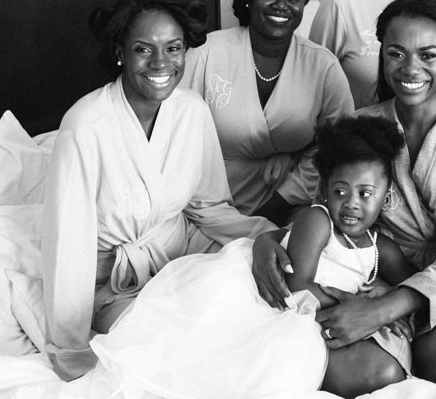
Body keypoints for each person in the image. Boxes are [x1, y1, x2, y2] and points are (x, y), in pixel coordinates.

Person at [255, 0, 436, 397]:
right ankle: (396, 355)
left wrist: (386, 308)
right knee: (365, 374)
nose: (411, 69)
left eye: (428, 55)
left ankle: (412, 346)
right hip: (363, 279)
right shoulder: (360, 124)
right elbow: (320, 204)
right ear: (382, 57)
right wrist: (267, 239)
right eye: (396, 54)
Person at [85, 115, 417, 399]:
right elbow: (296, 284)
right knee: (214, 355)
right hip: (268, 302)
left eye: (365, 194)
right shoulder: (317, 221)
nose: (352, 204)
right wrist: (360, 306)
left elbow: (414, 284)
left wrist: (387, 298)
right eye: (340, 192)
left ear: (386, 198)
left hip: (310, 318)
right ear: (325, 190)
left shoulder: (380, 249)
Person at [41, 0, 275, 380]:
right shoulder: (85, 126)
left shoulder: (192, 110)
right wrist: (70, 351)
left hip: (180, 246)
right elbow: (68, 247)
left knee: (257, 297)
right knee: (174, 345)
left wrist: (265, 234)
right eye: (143, 48)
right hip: (112, 281)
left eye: (173, 48)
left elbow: (208, 206)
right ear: (119, 53)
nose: (161, 63)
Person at [181, 0, 354, 224]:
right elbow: (175, 132)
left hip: (294, 199)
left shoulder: (324, 66)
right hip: (209, 203)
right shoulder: (207, 52)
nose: (281, 5)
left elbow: (336, 147)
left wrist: (279, 202)